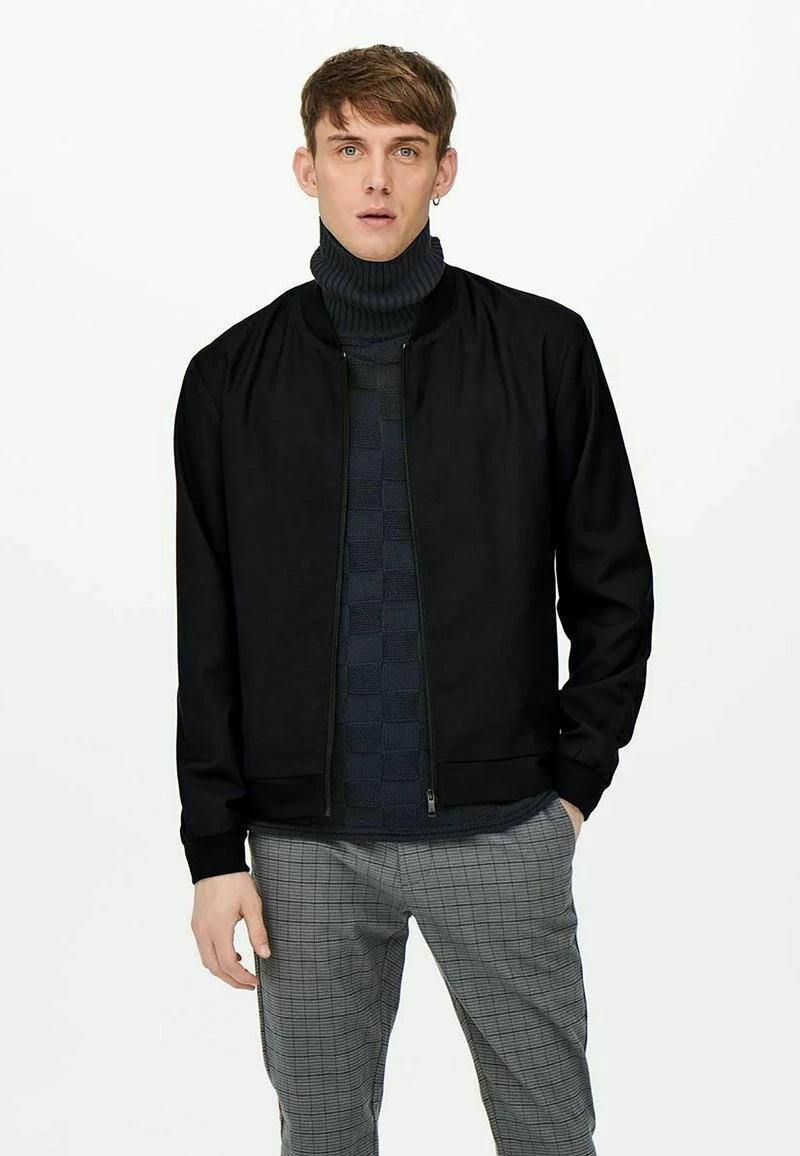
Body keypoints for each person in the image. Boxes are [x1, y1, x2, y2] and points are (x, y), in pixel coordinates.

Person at [172, 43, 654, 1156]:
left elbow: (612, 586)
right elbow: (209, 634)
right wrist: (213, 850)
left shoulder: (540, 349)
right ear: (308, 169)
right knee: (322, 1137)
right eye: (349, 150)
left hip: (501, 826)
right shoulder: (228, 378)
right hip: (301, 848)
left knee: (548, 1133)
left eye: (405, 150)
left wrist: (572, 786)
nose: (377, 179)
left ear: (445, 169)